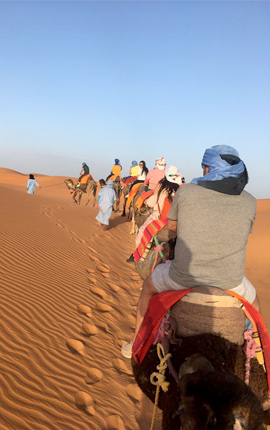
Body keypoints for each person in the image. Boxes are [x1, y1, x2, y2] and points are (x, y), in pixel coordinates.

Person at [121, 145, 259, 358]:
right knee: (255, 302)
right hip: (232, 282)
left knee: (148, 287)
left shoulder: (186, 191)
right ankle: (258, 353)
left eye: (204, 166)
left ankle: (136, 343)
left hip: (183, 278)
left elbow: (174, 228)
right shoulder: (250, 200)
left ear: (208, 169)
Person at [126, 165, 184, 263]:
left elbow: (151, 202)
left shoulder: (161, 187)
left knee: (142, 231)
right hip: (178, 219)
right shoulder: (181, 189)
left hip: (159, 217)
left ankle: (137, 255)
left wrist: (147, 201)